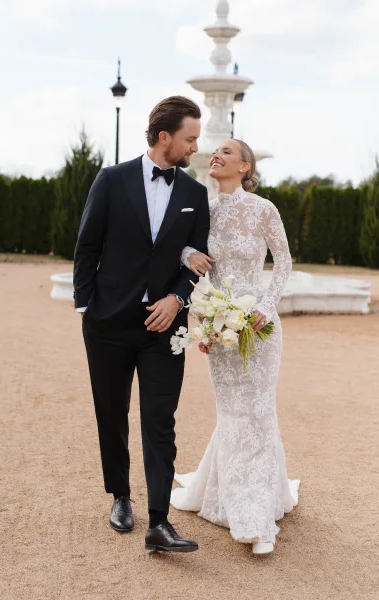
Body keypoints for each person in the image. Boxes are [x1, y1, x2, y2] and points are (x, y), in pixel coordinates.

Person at [73, 96, 210, 553]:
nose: (196, 146)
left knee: (159, 420)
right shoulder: (111, 180)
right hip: (109, 322)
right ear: (164, 136)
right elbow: (87, 246)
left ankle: (159, 521)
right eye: (190, 138)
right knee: (111, 415)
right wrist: (86, 309)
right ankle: (120, 496)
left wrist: (177, 298)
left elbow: (196, 259)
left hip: (165, 327)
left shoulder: (195, 193)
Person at [170, 139, 300, 555]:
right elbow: (183, 252)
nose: (217, 155)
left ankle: (255, 517)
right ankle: (238, 495)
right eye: (215, 150)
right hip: (219, 327)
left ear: (245, 166)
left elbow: (283, 262)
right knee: (231, 412)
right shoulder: (201, 209)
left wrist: (265, 306)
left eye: (227, 152)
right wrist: (203, 320)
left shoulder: (264, 209)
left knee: (259, 409)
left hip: (260, 326)